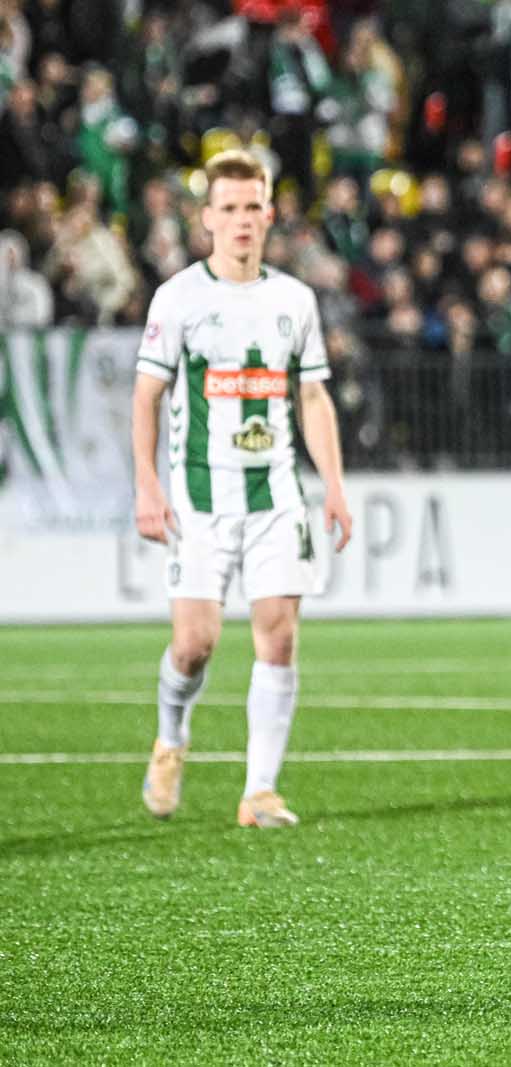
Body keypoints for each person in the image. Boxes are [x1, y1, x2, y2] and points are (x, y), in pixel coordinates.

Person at [131, 149, 354, 829]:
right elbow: (146, 396)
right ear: (207, 218)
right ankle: (171, 738)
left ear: (270, 213)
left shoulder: (294, 300)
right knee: (193, 645)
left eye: (252, 206)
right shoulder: (179, 298)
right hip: (200, 501)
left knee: (278, 637)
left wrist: (334, 484)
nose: (242, 220)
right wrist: (147, 484)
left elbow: (312, 396)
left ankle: (260, 790)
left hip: (275, 497)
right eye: (228, 208)